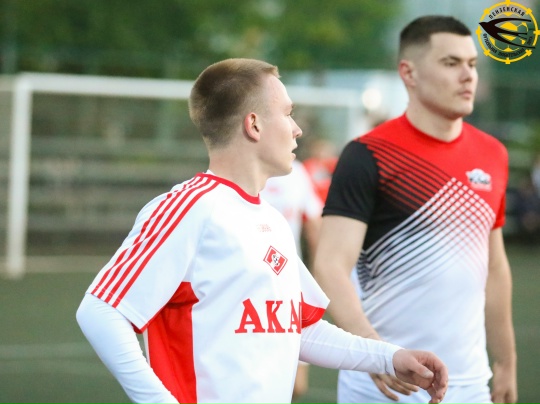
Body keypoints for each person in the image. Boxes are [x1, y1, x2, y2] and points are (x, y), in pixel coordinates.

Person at [76, 58, 448, 404]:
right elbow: (100, 310)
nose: (298, 129)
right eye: (287, 113)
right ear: (253, 125)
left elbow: (297, 329)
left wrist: (390, 357)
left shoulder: (271, 220)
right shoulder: (190, 208)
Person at [313, 16, 517, 404]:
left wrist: (506, 362)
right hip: (384, 388)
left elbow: (495, 267)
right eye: (450, 63)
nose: (468, 76)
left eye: (472, 64)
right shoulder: (367, 155)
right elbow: (330, 265)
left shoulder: (493, 154)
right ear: (408, 73)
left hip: (471, 386)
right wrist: (375, 353)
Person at [261, 159, 323, 399]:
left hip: (289, 283)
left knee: (296, 385)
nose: (295, 139)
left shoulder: (296, 173)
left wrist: (316, 278)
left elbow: (314, 225)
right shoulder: (238, 172)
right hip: (251, 287)